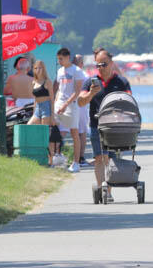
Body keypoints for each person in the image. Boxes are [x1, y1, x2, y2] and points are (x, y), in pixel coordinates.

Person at [78, 48, 131, 202]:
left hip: (116, 127)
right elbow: (80, 102)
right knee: (100, 158)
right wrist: (91, 93)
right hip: (97, 125)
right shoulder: (90, 82)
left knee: (111, 159)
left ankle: (108, 190)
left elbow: (129, 101)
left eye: (104, 64)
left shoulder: (121, 81)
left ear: (111, 63)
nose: (101, 67)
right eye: (98, 65)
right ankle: (102, 188)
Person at [0, 56, 34, 131]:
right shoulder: (32, 79)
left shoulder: (12, 78)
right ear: (28, 69)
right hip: (31, 106)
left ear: (17, 68)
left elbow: (4, 92)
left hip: (20, 107)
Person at [55, 48, 85, 172]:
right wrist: (56, 102)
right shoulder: (60, 71)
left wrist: (65, 104)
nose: (60, 61)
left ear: (67, 57)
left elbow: (77, 91)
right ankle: (57, 155)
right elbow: (59, 88)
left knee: (74, 133)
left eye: (61, 59)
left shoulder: (77, 71)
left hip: (71, 105)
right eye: (58, 59)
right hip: (59, 102)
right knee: (55, 129)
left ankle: (76, 162)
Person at [27, 60, 55, 128]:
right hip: (37, 108)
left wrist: (52, 116)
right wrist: (34, 112)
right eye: (36, 68)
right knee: (28, 126)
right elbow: (35, 99)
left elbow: (52, 100)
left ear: (43, 69)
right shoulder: (34, 82)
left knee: (44, 132)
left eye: (40, 68)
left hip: (46, 107)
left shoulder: (47, 81)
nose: (38, 70)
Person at [73, 54, 90, 166]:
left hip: (81, 106)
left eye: (77, 61)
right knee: (74, 131)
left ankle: (81, 157)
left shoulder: (85, 76)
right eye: (74, 61)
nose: (75, 63)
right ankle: (76, 157)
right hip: (71, 105)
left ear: (81, 64)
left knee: (82, 131)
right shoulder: (69, 73)